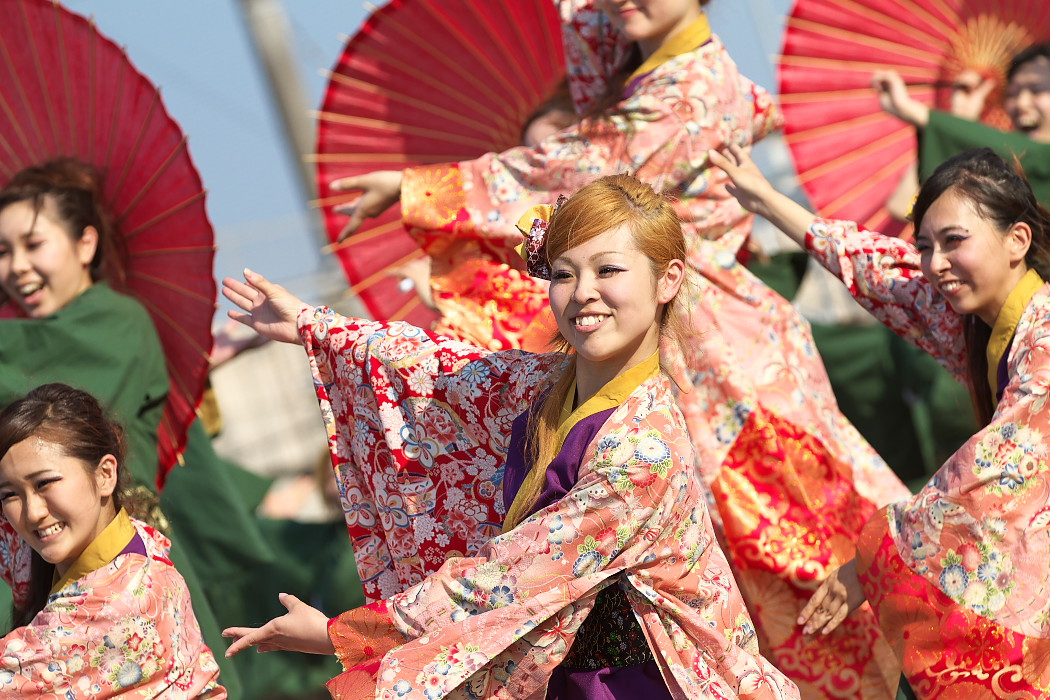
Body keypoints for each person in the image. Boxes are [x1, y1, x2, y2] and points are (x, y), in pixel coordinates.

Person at [326, 3, 909, 696]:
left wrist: (421, 186)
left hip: (726, 364)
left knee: (797, 564)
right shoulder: (644, 80)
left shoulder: (688, 91)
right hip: (690, 349)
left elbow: (575, 163)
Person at [221, 175, 799, 699]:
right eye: (565, 273)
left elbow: (512, 573)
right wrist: (310, 325)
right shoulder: (542, 384)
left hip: (643, 682)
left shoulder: (643, 450)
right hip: (566, 673)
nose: (583, 292)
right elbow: (435, 365)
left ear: (668, 279)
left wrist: (341, 635)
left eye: (609, 270)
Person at [711, 144, 1050, 697]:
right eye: (926, 246)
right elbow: (875, 268)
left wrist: (872, 556)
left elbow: (995, 466)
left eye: (954, 241)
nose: (935, 262)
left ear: (1018, 240)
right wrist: (770, 201)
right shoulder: (980, 317)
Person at [0, 158, 272, 697]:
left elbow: (53, 403)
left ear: (85, 244)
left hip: (120, 572)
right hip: (54, 569)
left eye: (33, 245)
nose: (16, 267)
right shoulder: (18, 341)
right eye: (2, 252)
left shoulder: (116, 320)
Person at [0, 383, 225, 697]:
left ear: (105, 474)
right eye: (10, 494)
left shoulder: (115, 607)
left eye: (45, 483)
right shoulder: (131, 538)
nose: (33, 512)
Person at [874, 41, 1050, 207]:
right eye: (1012, 93)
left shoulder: (1036, 159)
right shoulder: (1003, 166)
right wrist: (960, 120)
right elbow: (903, 205)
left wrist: (913, 110)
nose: (1021, 103)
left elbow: (1035, 156)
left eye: (1037, 89)